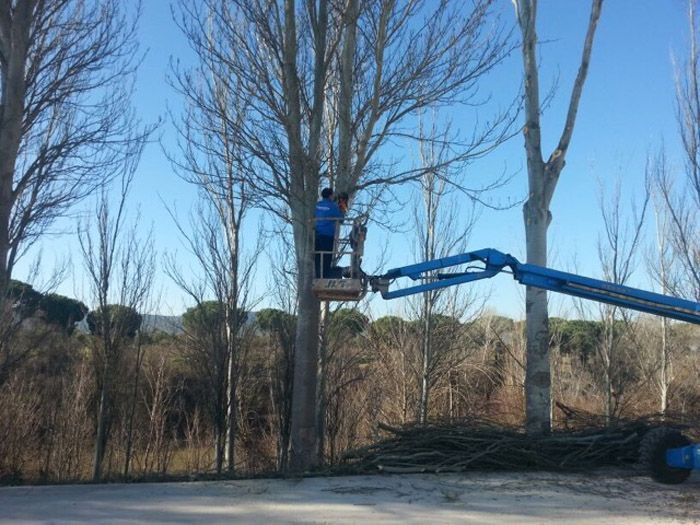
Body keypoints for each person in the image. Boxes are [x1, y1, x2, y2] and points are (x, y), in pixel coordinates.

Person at [315, 187, 344, 278]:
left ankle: (318, 275)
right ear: (331, 195)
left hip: (317, 235)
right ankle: (325, 276)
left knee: (318, 257)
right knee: (327, 257)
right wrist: (342, 207)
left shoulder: (317, 205)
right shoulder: (332, 206)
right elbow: (341, 219)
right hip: (327, 235)